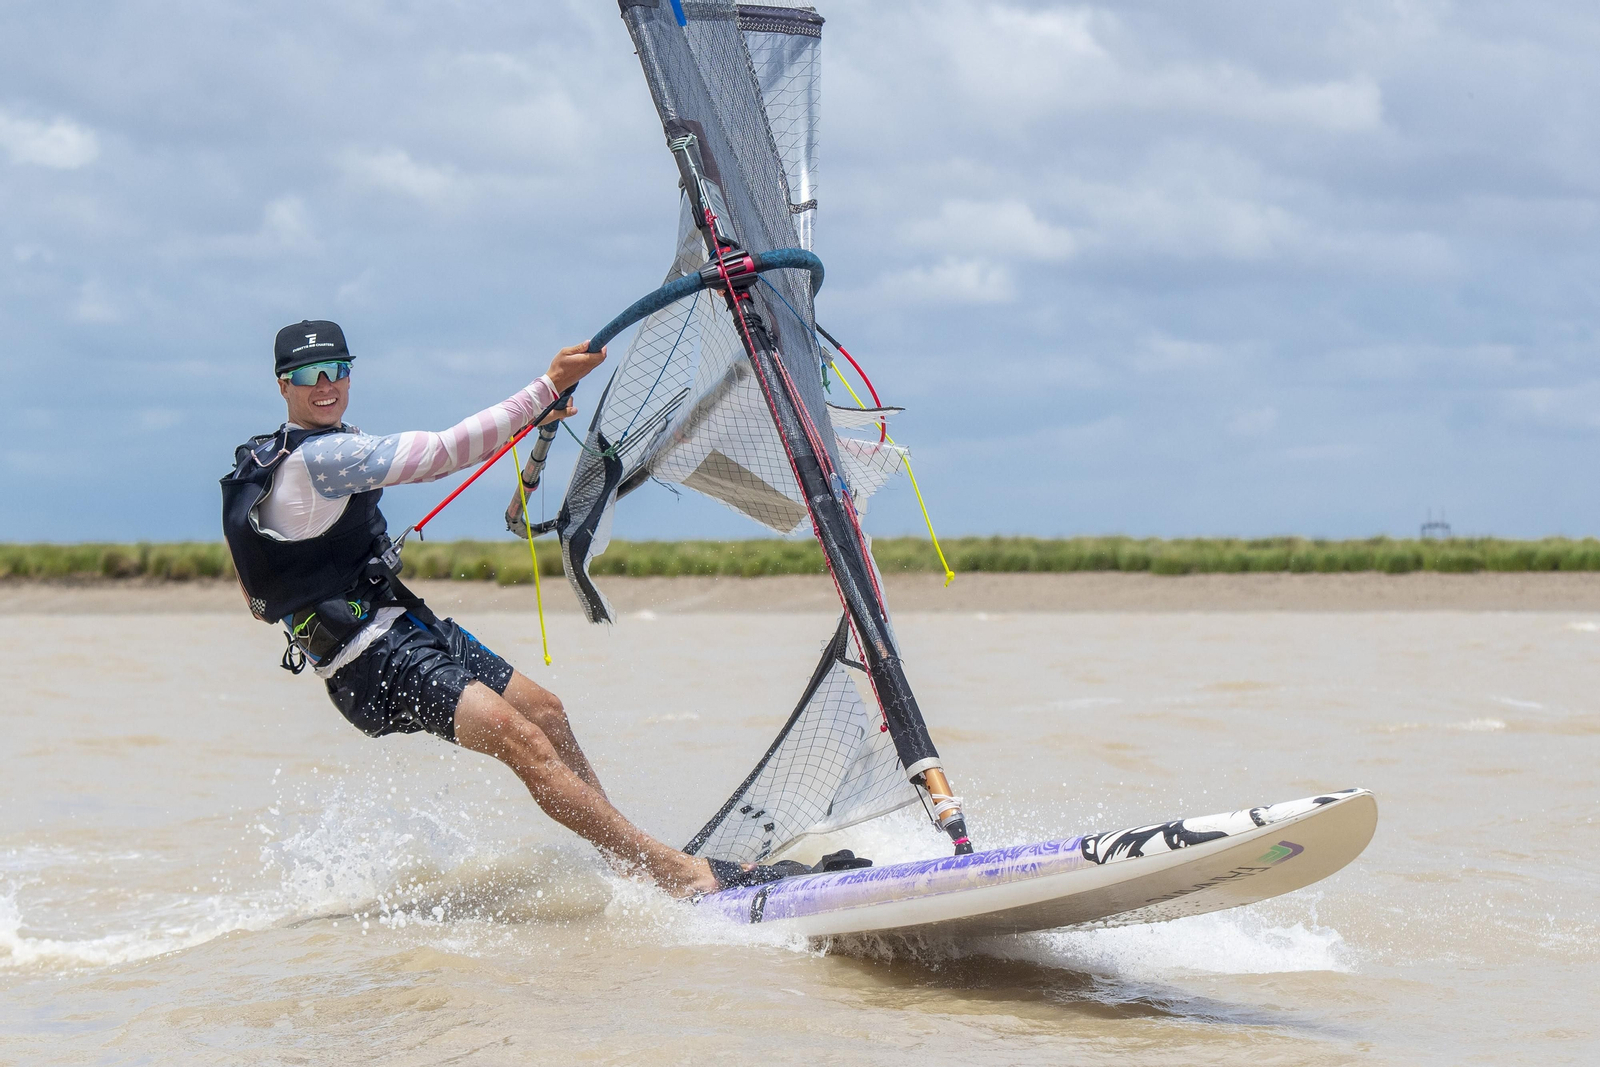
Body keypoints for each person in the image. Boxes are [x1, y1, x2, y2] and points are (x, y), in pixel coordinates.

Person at [221, 319, 782, 896]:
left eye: (337, 370)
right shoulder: (321, 460)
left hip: (408, 625)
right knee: (525, 741)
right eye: (309, 375)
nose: (326, 385)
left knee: (547, 711)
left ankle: (630, 859)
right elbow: (439, 453)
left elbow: (258, 576)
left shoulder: (284, 460)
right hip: (369, 661)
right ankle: (676, 873)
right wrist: (544, 388)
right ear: (283, 385)